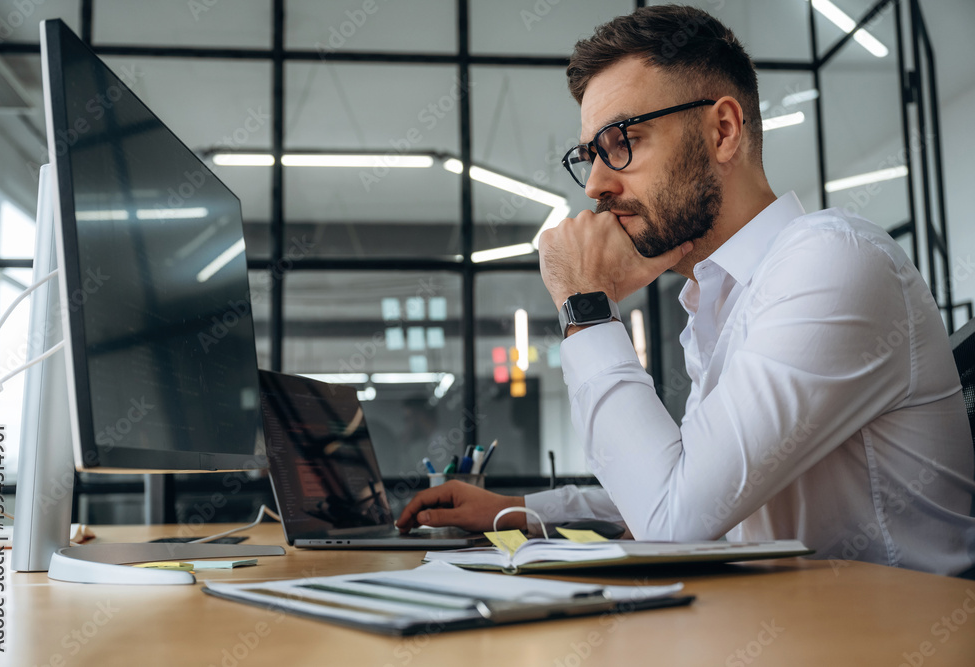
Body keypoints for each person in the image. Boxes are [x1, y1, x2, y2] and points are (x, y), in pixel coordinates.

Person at [397, 5, 975, 576]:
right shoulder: (721, 297)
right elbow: (694, 480)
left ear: (722, 131)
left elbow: (673, 522)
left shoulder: (832, 262)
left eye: (622, 140)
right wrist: (519, 511)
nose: (596, 184)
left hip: (894, 636)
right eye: (589, 154)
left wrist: (586, 307)